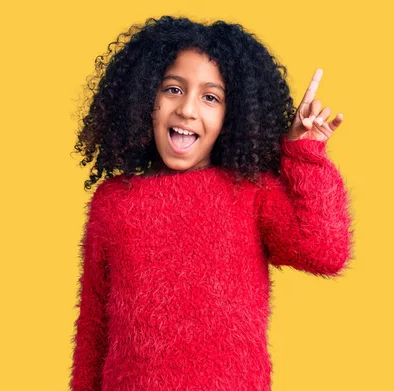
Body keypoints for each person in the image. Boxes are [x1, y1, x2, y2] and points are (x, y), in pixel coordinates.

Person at [70, 15, 354, 391]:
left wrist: (305, 153)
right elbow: (93, 330)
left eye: (210, 97)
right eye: (173, 89)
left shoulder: (250, 193)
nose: (188, 109)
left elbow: (324, 251)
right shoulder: (113, 203)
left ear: (231, 116)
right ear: (144, 97)